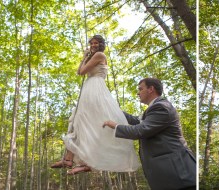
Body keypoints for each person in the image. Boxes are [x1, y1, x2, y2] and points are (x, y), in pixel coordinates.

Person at [49, 35, 141, 175]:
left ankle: (87, 162)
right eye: (91, 43)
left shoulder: (99, 55)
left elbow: (81, 71)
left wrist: (85, 57)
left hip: (95, 89)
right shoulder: (94, 56)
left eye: (96, 43)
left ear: (101, 44)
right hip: (90, 88)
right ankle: (70, 159)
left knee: (86, 122)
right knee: (78, 121)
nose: (93, 45)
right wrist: (84, 57)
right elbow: (79, 71)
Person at [102, 78, 196, 190]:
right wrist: (112, 109)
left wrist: (115, 126)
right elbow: (136, 120)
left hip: (179, 176)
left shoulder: (162, 107)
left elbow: (139, 130)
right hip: (169, 178)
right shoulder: (154, 109)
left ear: (151, 89)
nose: (138, 93)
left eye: (141, 89)